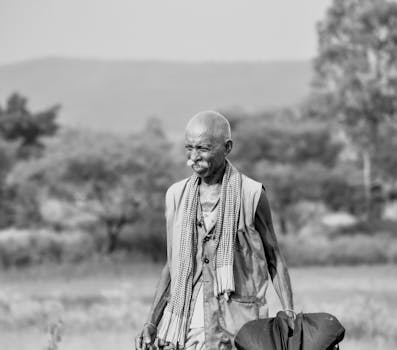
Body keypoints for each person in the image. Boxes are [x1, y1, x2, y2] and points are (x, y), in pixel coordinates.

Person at [135, 111, 294, 350]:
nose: (193, 157)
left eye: (203, 148)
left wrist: (289, 312)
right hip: (184, 331)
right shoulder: (176, 196)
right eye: (189, 148)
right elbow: (173, 265)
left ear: (227, 147)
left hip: (238, 331)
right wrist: (152, 322)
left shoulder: (251, 195)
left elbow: (274, 258)